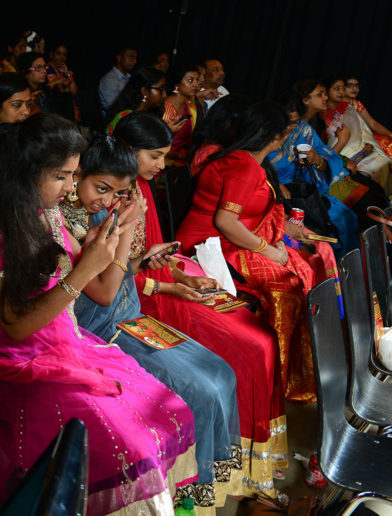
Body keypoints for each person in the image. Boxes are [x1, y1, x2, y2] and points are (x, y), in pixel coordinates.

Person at [0, 113, 197, 514]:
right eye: (61, 176)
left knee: (171, 411)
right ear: (26, 172)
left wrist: (115, 235)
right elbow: (16, 327)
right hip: (14, 362)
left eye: (72, 176)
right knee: (130, 445)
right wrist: (82, 271)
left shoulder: (46, 215)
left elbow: (102, 287)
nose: (69, 188)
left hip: (63, 342)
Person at [113, 111, 288, 499]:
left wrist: (183, 276)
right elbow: (117, 277)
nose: (162, 166)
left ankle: (252, 459)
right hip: (140, 301)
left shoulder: (140, 189)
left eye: (164, 156)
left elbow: (149, 256)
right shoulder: (114, 196)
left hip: (163, 283)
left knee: (258, 336)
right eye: (155, 156)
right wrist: (171, 286)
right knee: (247, 349)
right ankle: (214, 473)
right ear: (126, 150)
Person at [62, 135, 240, 508]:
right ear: (77, 175)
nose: (106, 200)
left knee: (223, 373)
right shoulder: (67, 224)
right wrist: (127, 227)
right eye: (101, 188)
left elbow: (116, 273)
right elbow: (103, 293)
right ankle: (187, 492)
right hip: (100, 332)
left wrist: (141, 260)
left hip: (129, 317)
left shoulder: (100, 213)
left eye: (116, 193)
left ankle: (202, 485)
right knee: (201, 392)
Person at [177, 101, 336, 402]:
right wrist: (269, 250)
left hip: (231, 240)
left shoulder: (246, 160)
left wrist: (281, 235)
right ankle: (278, 377)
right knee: (289, 283)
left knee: (306, 263)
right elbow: (225, 222)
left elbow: (252, 214)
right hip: (209, 247)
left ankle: (291, 372)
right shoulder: (245, 166)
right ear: (275, 137)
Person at [271, 86, 362, 254]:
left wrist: (316, 159)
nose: (289, 127)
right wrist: (275, 185)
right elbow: (253, 165)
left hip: (302, 194)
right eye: (286, 121)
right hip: (273, 197)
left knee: (344, 218)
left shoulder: (303, 130)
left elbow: (328, 159)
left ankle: (346, 267)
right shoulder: (264, 133)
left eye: (294, 122)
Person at [320, 76, 392, 197]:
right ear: (326, 91)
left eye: (342, 88)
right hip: (340, 153)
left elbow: (365, 128)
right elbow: (326, 143)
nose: (341, 92)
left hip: (362, 148)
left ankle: (385, 201)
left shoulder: (348, 107)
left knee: (385, 162)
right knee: (369, 170)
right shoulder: (321, 113)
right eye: (336, 89)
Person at [162, 63, 204, 167]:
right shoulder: (167, 108)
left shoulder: (189, 105)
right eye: (190, 80)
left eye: (197, 80)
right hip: (165, 163)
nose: (195, 84)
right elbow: (156, 145)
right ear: (177, 84)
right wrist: (180, 156)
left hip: (184, 162)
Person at [105, 66, 168, 132]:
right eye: (160, 89)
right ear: (145, 91)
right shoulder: (125, 117)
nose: (165, 95)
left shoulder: (152, 113)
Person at [98, 46, 138, 113]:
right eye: (131, 57)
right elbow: (114, 109)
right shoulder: (109, 80)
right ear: (119, 58)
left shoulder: (129, 78)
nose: (135, 61)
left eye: (135, 58)